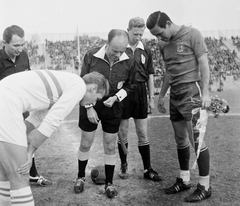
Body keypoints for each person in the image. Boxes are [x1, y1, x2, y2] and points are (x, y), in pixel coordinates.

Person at [0, 69, 109, 206]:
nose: (94, 103)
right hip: (7, 103)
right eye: (97, 98)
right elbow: (53, 119)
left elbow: (38, 116)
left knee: (5, 174)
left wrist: (23, 138)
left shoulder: (68, 82)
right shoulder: (79, 86)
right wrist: (29, 151)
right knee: (20, 174)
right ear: (93, 88)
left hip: (4, 98)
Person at [146, 11, 212, 203]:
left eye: (160, 33)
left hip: (192, 91)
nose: (159, 38)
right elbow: (168, 71)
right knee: (180, 138)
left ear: (168, 24)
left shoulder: (193, 34)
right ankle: (184, 179)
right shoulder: (163, 43)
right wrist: (162, 95)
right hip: (175, 93)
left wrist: (206, 93)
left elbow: (204, 64)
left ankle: (205, 186)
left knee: (196, 140)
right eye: (155, 36)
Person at [73, 29, 137, 198]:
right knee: (86, 143)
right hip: (91, 102)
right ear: (107, 44)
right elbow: (82, 83)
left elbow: (131, 85)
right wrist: (88, 107)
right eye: (115, 50)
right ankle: (80, 177)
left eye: (121, 51)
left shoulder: (129, 59)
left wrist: (116, 97)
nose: (118, 55)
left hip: (113, 105)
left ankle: (109, 183)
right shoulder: (91, 55)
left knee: (110, 145)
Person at [0, 25, 51, 187]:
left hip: (22, 107)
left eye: (22, 44)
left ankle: (33, 174)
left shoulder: (24, 56)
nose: (19, 49)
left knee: (26, 138)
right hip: (3, 108)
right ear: (4, 43)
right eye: (15, 45)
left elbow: (29, 78)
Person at [117, 17, 161, 181]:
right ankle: (124, 164)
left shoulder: (146, 49)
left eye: (141, 34)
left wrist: (151, 98)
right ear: (128, 30)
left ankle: (147, 169)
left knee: (143, 132)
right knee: (123, 131)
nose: (138, 37)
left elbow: (150, 75)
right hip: (123, 92)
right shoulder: (120, 48)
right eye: (135, 34)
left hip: (141, 92)